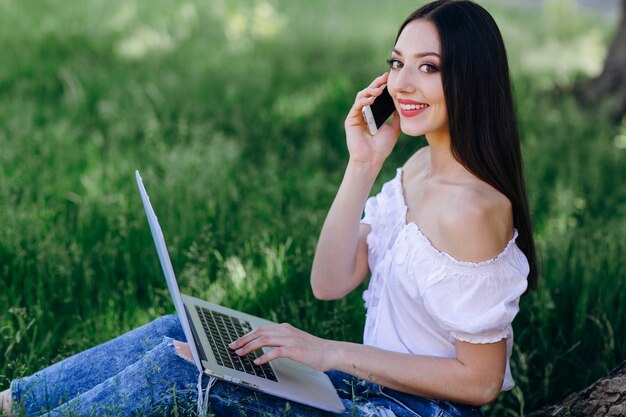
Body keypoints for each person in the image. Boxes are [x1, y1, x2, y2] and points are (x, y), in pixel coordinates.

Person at [1, 0, 537, 415]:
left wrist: (325, 353)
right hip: (366, 383)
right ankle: (15, 402)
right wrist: (363, 164)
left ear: (470, 78)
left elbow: (481, 382)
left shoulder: (473, 209)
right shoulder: (417, 169)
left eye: (428, 68)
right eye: (397, 64)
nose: (401, 83)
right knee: (179, 331)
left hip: (409, 409)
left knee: (178, 372)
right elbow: (329, 282)